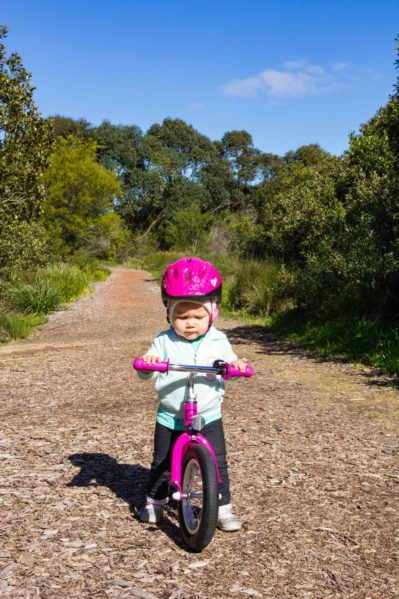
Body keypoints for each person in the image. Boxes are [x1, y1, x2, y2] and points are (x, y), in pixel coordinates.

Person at [136, 256, 247, 532]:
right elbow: (146, 368)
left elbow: (231, 361)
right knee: (162, 462)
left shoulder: (218, 340)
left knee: (217, 461)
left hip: (208, 414)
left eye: (198, 316)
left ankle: (222, 509)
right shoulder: (163, 341)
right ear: (169, 314)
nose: (190, 323)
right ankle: (155, 504)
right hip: (170, 416)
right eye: (181, 316)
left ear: (213, 314)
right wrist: (148, 364)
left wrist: (236, 366)